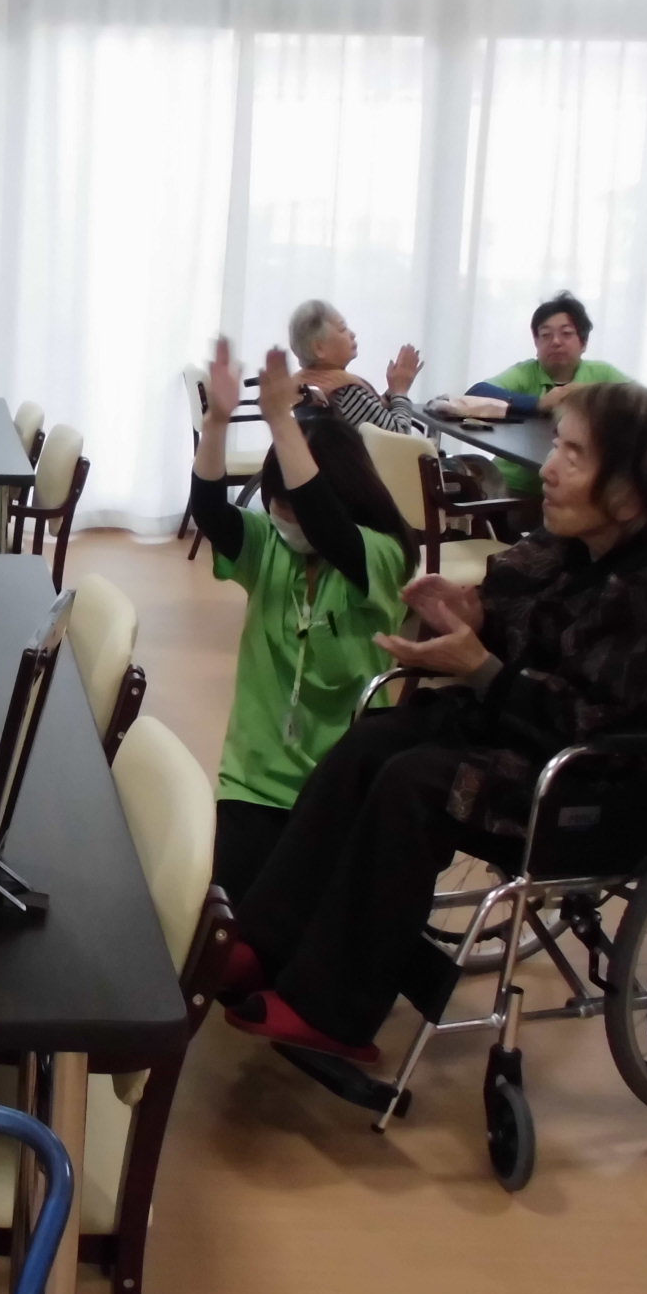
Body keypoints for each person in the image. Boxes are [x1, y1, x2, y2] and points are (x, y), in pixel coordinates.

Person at [219, 382, 647, 1064]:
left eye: (573, 455)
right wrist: (471, 614)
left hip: (616, 787)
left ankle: (332, 1010)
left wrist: (482, 668)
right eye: (557, 447)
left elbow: (596, 722)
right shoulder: (566, 545)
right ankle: (265, 943)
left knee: (414, 784)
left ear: (630, 493)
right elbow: (513, 614)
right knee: (371, 743)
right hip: (536, 736)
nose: (548, 469)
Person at [189, 338, 417, 899]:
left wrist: (281, 421)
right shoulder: (268, 545)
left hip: (340, 782)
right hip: (253, 778)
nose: (283, 517)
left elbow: (328, 527)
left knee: (306, 922)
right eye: (276, 503)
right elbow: (212, 511)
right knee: (233, 919)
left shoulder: (380, 554)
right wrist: (217, 424)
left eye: (295, 505)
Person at [466, 291, 634, 497]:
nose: (556, 342)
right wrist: (539, 403)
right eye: (545, 335)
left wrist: (594, 393)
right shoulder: (526, 373)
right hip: (516, 485)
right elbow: (475, 394)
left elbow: (641, 402)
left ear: (583, 343)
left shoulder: (601, 372)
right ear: (536, 344)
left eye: (566, 333)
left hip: (576, 489)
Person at [286, 299, 423, 432]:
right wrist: (400, 392)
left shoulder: (309, 384)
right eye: (343, 328)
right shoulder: (345, 392)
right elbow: (399, 436)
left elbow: (370, 413)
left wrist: (392, 391)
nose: (352, 334)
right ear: (319, 348)